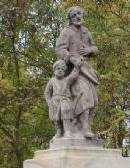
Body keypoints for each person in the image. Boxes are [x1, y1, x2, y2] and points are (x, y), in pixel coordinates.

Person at [55, 6, 99, 139]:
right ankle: (84, 129)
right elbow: (60, 50)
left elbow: (96, 49)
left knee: (94, 100)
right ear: (70, 18)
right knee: (83, 96)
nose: (78, 17)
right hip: (75, 70)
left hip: (88, 69)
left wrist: (91, 50)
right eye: (74, 15)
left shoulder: (86, 32)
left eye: (79, 14)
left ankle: (86, 127)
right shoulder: (66, 32)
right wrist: (72, 58)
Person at [44, 59, 81, 139]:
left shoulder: (66, 80)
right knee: (55, 118)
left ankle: (67, 131)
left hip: (65, 100)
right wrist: (49, 102)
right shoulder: (52, 81)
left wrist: (77, 67)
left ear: (65, 71)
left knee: (65, 111)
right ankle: (59, 131)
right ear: (54, 70)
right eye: (58, 69)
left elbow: (74, 76)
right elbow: (47, 93)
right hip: (54, 101)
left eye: (62, 69)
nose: (60, 71)